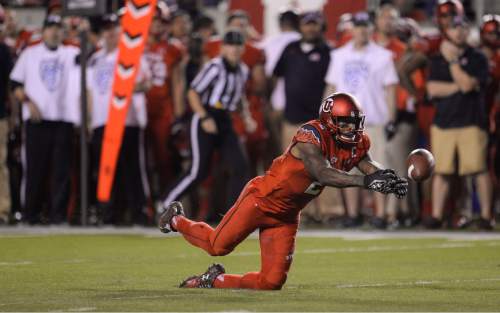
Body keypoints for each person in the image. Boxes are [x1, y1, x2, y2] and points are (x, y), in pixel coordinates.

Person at [158, 92, 408, 290]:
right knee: (216, 246)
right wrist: (366, 183)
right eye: (345, 124)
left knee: (270, 283)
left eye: (355, 123)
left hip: (287, 214)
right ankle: (175, 219)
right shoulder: (311, 135)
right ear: (330, 122)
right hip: (261, 200)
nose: (352, 130)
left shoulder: (356, 142)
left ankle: (213, 280)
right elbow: (322, 173)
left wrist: (385, 176)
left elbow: (366, 163)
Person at [161, 30, 255, 217]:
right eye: (230, 45)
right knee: (198, 171)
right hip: (205, 115)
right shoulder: (215, 67)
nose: (234, 49)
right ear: (223, 48)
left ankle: (232, 216)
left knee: (240, 166)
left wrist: (246, 117)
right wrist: (204, 117)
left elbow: (239, 97)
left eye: (238, 45)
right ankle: (164, 204)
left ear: (243, 48)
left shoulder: (243, 70)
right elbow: (193, 93)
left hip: (225, 119)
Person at [324, 11, 399, 229]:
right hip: (344, 124)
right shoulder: (339, 55)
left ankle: (381, 214)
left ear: (371, 29)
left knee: (376, 168)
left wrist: (391, 119)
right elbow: (331, 87)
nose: (362, 30)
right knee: (346, 170)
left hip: (373, 120)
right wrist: (325, 117)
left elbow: (390, 89)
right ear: (352, 29)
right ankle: (353, 214)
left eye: (366, 26)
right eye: (358, 26)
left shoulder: (382, 55)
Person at [10, 15, 79, 224]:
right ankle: (30, 213)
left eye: (58, 28)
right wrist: (28, 102)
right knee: (35, 169)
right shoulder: (30, 54)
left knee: (61, 171)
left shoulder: (72, 53)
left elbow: (90, 60)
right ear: (43, 31)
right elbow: (15, 85)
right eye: (51, 28)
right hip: (37, 121)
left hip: (63, 119)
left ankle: (58, 216)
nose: (55, 32)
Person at [425, 16, 493, 230]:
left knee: (478, 170)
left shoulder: (478, 57)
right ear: (448, 31)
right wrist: (459, 84)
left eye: (463, 28)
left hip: (471, 121)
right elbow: (433, 89)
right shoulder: (436, 59)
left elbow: (468, 85)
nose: (459, 32)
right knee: (442, 172)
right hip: (444, 122)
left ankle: (485, 216)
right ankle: (436, 216)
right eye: (455, 28)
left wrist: (453, 62)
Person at [87, 13, 151, 225]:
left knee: (132, 168)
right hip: (101, 121)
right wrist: (88, 120)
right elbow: (89, 91)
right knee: (106, 169)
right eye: (106, 29)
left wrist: (128, 88)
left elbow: (146, 83)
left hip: (126, 120)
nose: (110, 33)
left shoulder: (131, 54)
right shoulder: (95, 58)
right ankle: (109, 214)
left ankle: (139, 212)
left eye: (114, 29)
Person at [0, 5, 13, 224]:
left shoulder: (3, 50)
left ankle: (2, 210)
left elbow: (7, 86)